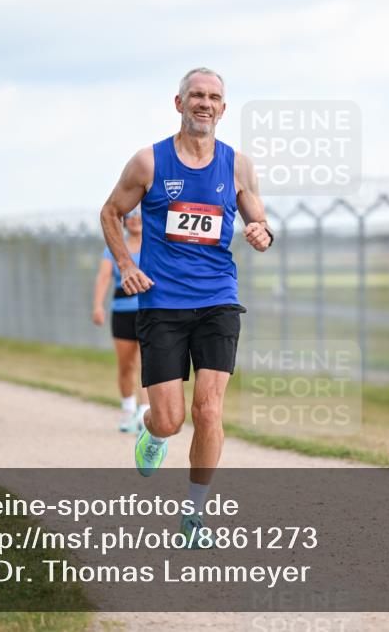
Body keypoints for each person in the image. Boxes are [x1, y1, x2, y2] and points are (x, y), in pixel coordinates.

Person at [99, 67, 272, 545]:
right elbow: (111, 212)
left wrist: (262, 232)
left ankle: (194, 516)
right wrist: (125, 263)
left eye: (214, 97)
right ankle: (153, 433)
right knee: (171, 419)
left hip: (218, 298)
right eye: (196, 95)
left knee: (209, 410)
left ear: (223, 108)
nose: (204, 103)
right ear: (179, 104)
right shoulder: (148, 162)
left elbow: (259, 217)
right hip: (162, 304)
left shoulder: (238, 165)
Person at [92, 208, 150, 433]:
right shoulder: (113, 249)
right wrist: (98, 306)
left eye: (139, 215)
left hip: (149, 312)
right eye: (130, 215)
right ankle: (128, 410)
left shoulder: (153, 246)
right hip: (123, 313)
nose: (135, 219)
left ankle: (145, 414)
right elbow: (103, 277)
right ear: (124, 221)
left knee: (149, 365)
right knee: (126, 365)